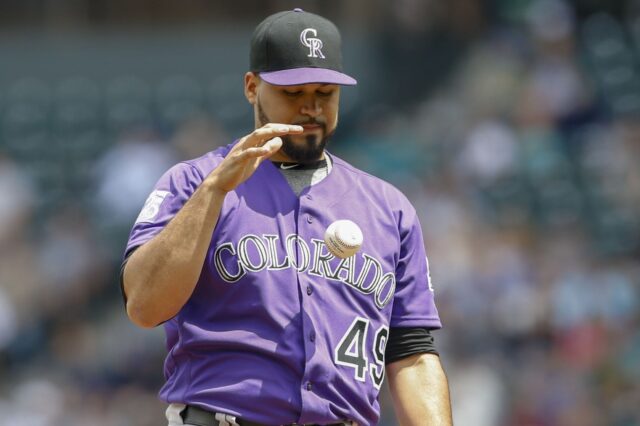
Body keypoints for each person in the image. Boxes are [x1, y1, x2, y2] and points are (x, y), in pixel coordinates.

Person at [121, 8, 452, 426]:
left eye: (325, 93)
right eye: (293, 93)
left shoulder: (389, 208)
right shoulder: (193, 182)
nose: (310, 107)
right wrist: (213, 193)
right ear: (251, 87)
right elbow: (144, 306)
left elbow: (413, 353)